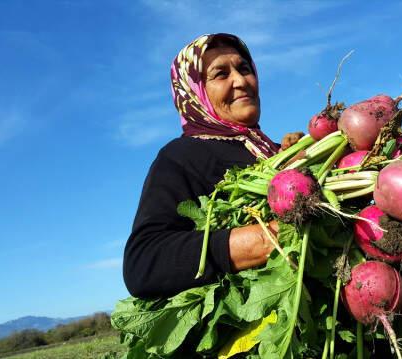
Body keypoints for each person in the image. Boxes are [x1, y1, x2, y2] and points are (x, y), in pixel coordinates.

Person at [123, 33, 302, 299]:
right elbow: (144, 263)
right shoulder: (181, 156)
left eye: (244, 69)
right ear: (194, 91)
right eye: (221, 74)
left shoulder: (274, 150)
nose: (241, 81)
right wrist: (271, 237)